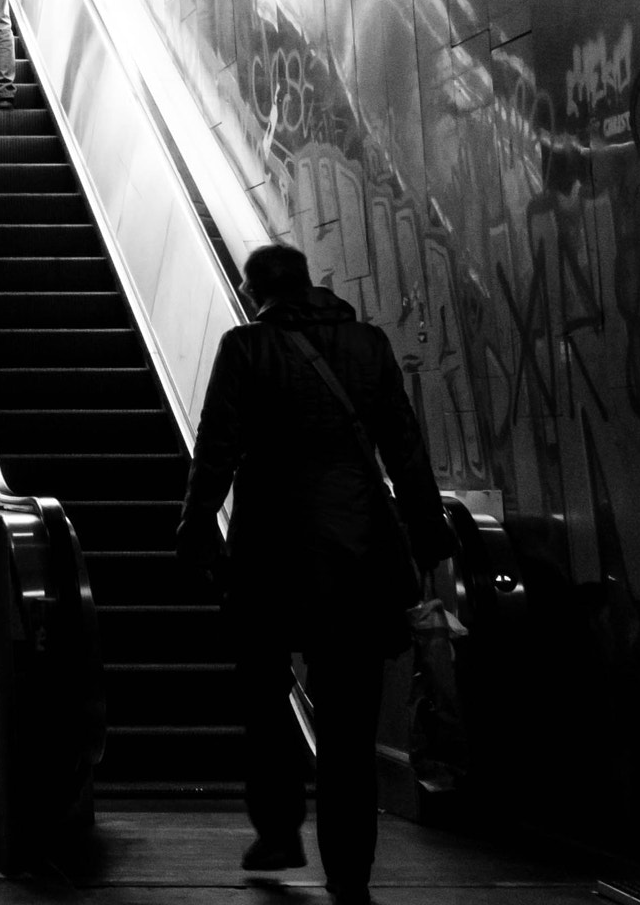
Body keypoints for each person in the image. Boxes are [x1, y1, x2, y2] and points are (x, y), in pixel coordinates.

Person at [174, 245, 454, 905]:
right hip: (357, 551)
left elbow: (216, 447)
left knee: (264, 696)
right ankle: (350, 876)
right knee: (349, 724)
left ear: (254, 293)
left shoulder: (245, 348)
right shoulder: (368, 344)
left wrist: (193, 532)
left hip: (269, 550)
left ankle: (277, 831)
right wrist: (429, 533)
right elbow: (404, 446)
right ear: (310, 285)